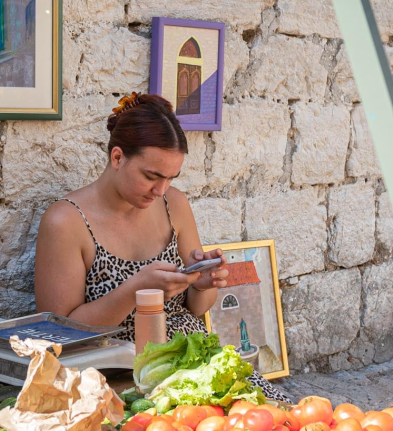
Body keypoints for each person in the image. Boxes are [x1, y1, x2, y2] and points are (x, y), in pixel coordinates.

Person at [34, 92, 290, 402]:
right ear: (117, 158)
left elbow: (196, 308)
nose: (161, 190)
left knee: (273, 416)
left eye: (171, 178)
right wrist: (136, 290)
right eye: (151, 176)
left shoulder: (174, 204)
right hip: (113, 371)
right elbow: (62, 336)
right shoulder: (66, 221)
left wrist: (202, 283)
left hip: (188, 355)